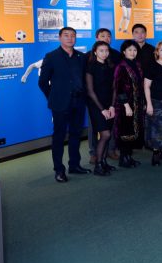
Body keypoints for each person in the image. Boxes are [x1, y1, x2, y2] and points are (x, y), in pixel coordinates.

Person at [38, 27, 91, 182]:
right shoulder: (51, 57)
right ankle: (59, 170)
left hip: (78, 102)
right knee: (59, 137)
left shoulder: (81, 57)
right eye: (66, 35)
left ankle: (74, 165)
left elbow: (84, 79)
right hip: (60, 104)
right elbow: (42, 82)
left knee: (76, 134)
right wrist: (53, 97)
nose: (70, 38)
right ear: (59, 38)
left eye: (73, 35)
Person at [113, 40, 146, 168]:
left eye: (135, 50)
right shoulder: (121, 66)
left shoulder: (137, 64)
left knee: (133, 131)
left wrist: (143, 102)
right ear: (124, 51)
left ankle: (128, 157)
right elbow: (118, 88)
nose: (133, 52)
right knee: (125, 131)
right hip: (124, 105)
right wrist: (126, 105)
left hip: (136, 103)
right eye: (130, 50)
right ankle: (123, 158)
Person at [85, 41, 115, 176]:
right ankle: (98, 165)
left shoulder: (110, 66)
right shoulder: (90, 67)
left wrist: (112, 106)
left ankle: (103, 162)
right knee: (105, 134)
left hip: (109, 105)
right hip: (96, 105)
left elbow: (114, 88)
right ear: (95, 52)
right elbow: (90, 91)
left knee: (108, 134)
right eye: (101, 50)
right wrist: (102, 109)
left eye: (106, 50)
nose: (104, 53)